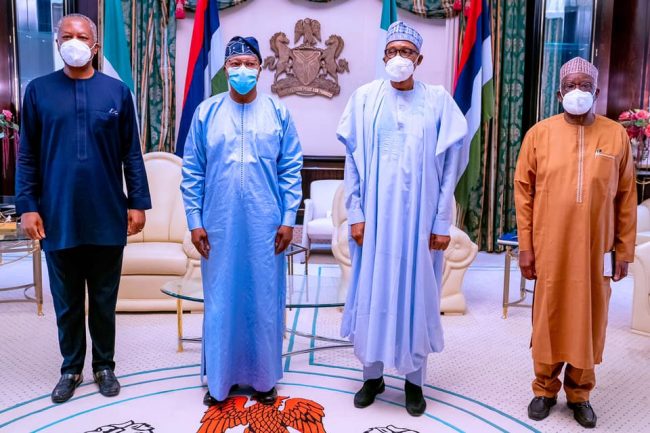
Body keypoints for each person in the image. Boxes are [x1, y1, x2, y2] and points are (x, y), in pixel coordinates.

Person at [15, 14, 151, 403]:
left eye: (82, 36)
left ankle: (104, 366)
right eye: (67, 35)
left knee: (104, 301)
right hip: (57, 215)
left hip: (106, 213)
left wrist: (138, 202)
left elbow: (131, 153)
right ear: (57, 43)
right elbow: (27, 155)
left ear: (95, 46)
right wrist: (27, 206)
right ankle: (71, 368)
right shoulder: (38, 91)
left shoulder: (117, 92)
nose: (74, 41)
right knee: (67, 301)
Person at [337, 21, 468, 417]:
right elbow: (353, 163)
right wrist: (356, 213)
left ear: (419, 59)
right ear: (383, 57)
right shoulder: (364, 99)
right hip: (375, 221)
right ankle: (372, 376)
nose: (399, 58)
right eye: (392, 51)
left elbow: (451, 167)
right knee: (373, 293)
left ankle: (414, 382)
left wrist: (442, 221)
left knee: (416, 297)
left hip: (419, 223)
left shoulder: (439, 101)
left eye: (406, 52)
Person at [514, 57, 636, 429]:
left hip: (596, 250)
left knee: (591, 317)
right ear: (559, 93)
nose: (578, 92)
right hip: (549, 247)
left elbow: (626, 197)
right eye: (571, 85)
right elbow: (523, 194)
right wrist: (525, 247)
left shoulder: (615, 135)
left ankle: (580, 393)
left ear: (597, 93)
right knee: (548, 316)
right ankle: (544, 389)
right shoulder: (539, 134)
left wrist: (624, 250)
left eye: (585, 86)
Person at [181, 36, 303, 407]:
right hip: (218, 223)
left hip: (267, 225)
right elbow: (192, 171)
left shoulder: (278, 112)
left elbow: (290, 169)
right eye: (236, 64)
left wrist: (288, 219)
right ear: (225, 68)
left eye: (250, 63)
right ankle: (219, 381)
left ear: (261, 69)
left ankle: (264, 379)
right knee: (221, 299)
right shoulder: (206, 113)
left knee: (264, 300)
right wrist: (195, 220)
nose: (243, 70)